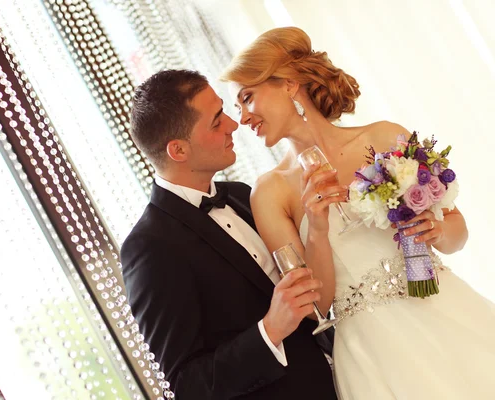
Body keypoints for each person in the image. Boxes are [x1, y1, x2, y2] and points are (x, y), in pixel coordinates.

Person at [221, 26, 495, 399]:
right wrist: (316, 227)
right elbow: (315, 305)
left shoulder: (384, 137)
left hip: (445, 309)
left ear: (288, 85)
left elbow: (457, 233)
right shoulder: (270, 193)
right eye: (238, 106)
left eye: (247, 98)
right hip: (374, 351)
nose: (243, 117)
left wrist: (437, 229)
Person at [120, 69, 337, 399]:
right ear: (178, 150)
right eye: (216, 120)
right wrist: (270, 330)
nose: (234, 125)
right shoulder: (150, 247)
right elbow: (187, 386)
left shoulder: (240, 194)